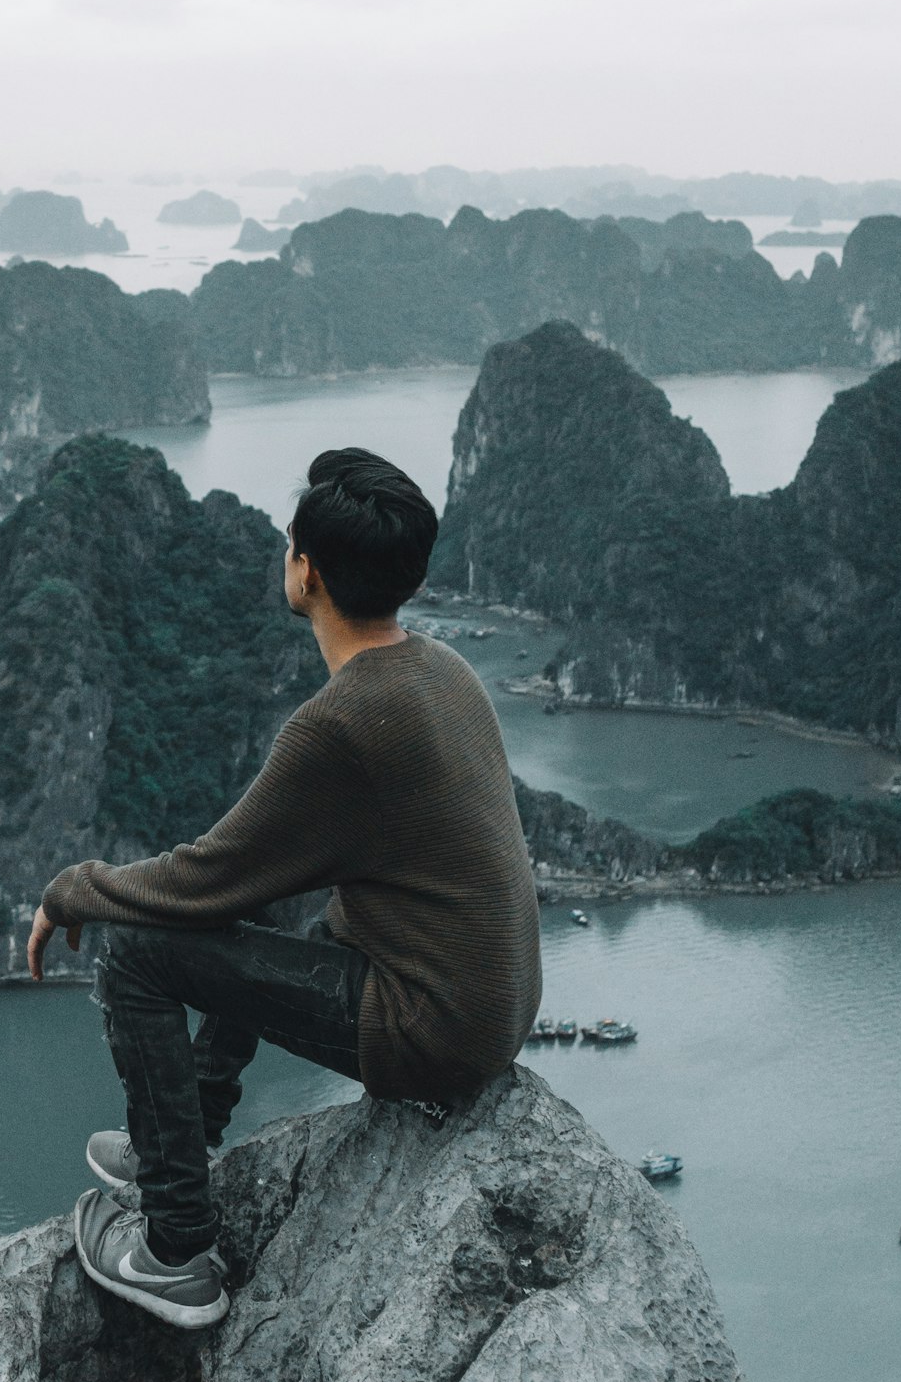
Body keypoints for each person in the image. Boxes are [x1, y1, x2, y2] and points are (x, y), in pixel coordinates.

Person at [28, 447, 541, 1332]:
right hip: (481, 1002)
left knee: (138, 954)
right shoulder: (442, 667)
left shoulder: (339, 725)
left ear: (306, 570)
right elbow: (252, 873)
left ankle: (177, 1247)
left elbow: (205, 879)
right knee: (265, 888)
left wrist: (75, 889)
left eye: (289, 541)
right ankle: (178, 1141)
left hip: (429, 1029)